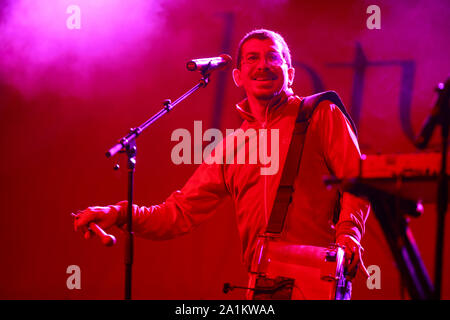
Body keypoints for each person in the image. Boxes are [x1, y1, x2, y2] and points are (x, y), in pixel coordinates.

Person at [73, 29, 370, 299]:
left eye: (272, 57)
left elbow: (358, 179)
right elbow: (178, 214)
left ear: (290, 74)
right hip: (261, 284)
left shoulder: (321, 114)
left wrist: (349, 237)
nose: (263, 65)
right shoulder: (231, 148)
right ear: (238, 76)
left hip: (318, 275)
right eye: (252, 58)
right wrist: (119, 213)